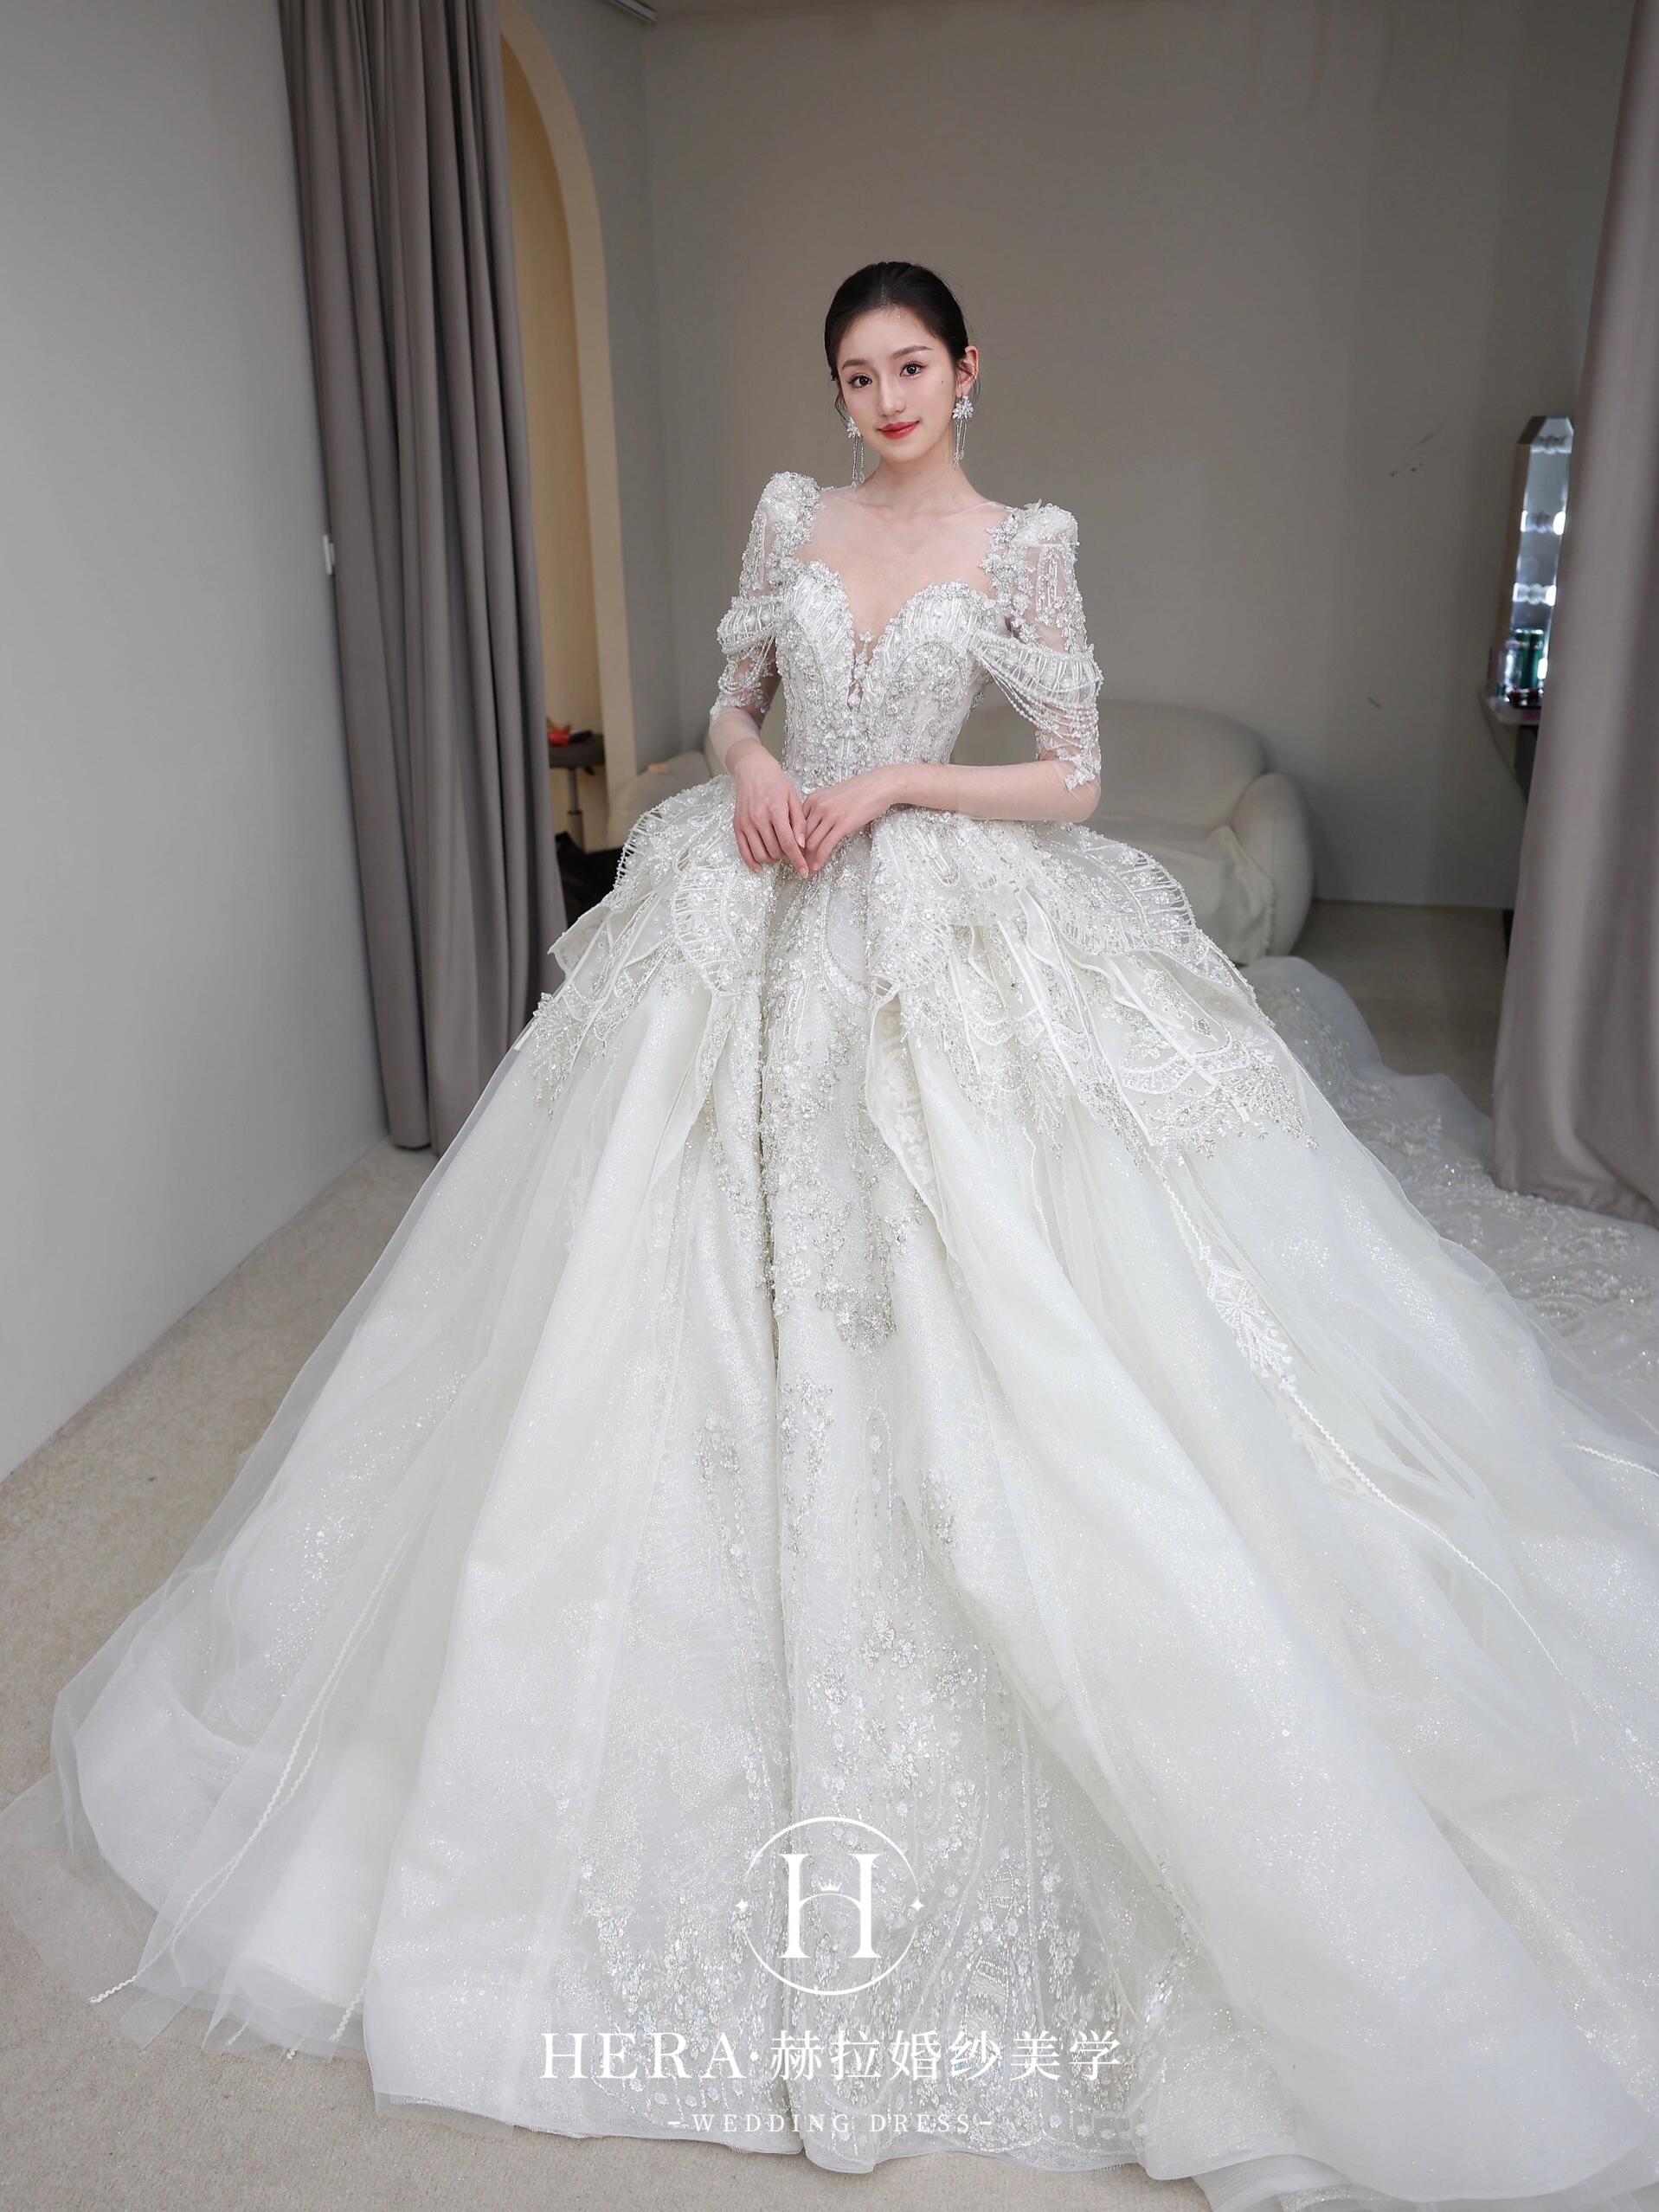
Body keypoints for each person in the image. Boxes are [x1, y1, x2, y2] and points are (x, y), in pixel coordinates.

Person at [3, 259, 1659, 2212]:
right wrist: (762, 765)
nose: (882, 398)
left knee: (1018, 1287)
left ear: (967, 369)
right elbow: (729, 696)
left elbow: (1073, 776)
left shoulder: (1023, 541)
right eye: (856, 373)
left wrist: (890, 784)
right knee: (632, 1252)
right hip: (759, 882)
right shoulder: (794, 517)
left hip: (936, 891)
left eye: (909, 366)